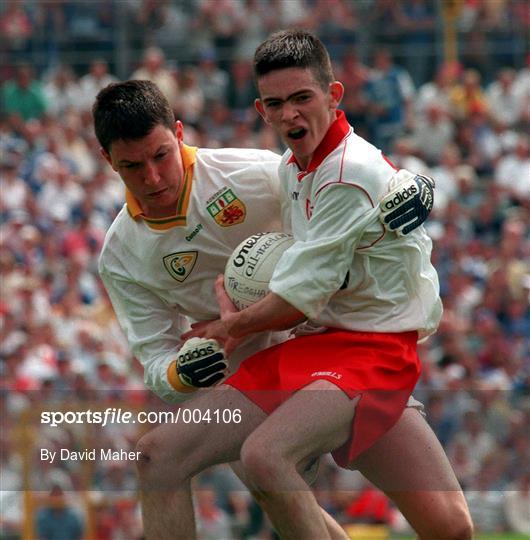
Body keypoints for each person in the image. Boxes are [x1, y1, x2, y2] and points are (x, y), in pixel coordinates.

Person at [92, 79, 447, 539]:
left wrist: (411, 183)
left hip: (334, 346)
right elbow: (156, 360)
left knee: (449, 526)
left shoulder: (248, 172)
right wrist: (184, 371)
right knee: (192, 461)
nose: (152, 178)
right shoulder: (120, 255)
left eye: (160, 155)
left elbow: (335, 177)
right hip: (246, 373)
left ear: (179, 133)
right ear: (107, 161)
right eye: (132, 166)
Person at [181, 30, 473, 539]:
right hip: (330, 347)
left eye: (302, 98)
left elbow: (296, 299)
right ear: (261, 110)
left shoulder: (346, 172)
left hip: (372, 353)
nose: (290, 114)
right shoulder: (294, 170)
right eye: (276, 103)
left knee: (264, 457)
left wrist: (231, 326)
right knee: (451, 530)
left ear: (333, 95)